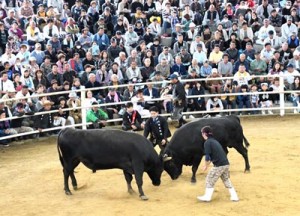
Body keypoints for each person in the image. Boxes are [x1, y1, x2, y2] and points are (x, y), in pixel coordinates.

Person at [197, 126, 239, 202]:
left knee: (209, 179)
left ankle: (207, 197)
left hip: (219, 165)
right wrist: (207, 164)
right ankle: (234, 196)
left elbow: (207, 156)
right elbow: (213, 155)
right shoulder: (214, 141)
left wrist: (206, 165)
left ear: (204, 134)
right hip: (226, 164)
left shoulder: (207, 143)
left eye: (202, 133)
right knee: (226, 180)